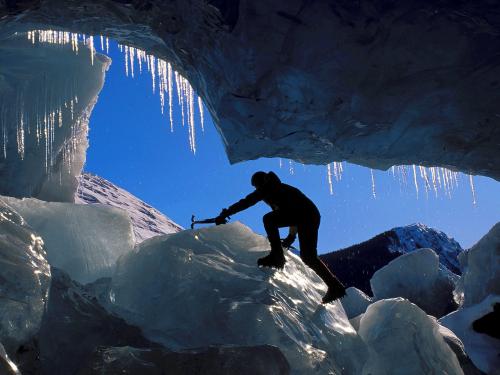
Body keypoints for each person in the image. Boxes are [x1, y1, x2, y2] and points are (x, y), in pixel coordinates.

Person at [215, 171, 346, 303]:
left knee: (268, 220)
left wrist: (226, 213)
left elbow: (247, 201)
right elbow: (292, 211)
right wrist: (291, 236)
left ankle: (276, 256)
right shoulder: (277, 189)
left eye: (256, 186)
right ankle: (335, 286)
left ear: (261, 182)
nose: (257, 189)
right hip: (309, 216)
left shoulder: (269, 187)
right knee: (309, 257)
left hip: (306, 215)